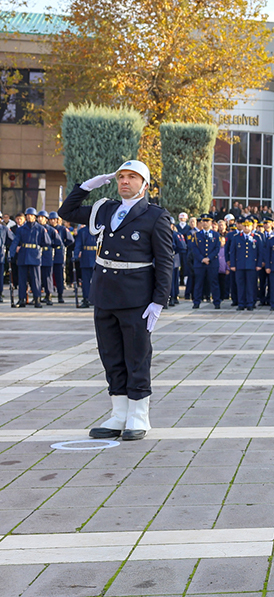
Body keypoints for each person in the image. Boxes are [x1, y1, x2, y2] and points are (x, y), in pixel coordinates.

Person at [57, 160, 175, 441]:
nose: (125, 181)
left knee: (136, 357)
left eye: (132, 177)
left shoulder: (155, 216)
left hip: (137, 298)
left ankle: (139, 415)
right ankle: (119, 413)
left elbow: (165, 261)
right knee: (111, 356)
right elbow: (66, 211)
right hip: (106, 294)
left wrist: (159, 301)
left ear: (144, 185)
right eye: (121, 177)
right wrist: (88, 186)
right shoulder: (106, 209)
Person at [10, 208, 50, 307]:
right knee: (22, 279)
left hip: (35, 255)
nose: (29, 217)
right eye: (27, 215)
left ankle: (37, 299)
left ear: (35, 217)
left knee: (36, 279)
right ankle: (22, 299)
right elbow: (15, 241)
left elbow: (47, 242)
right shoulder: (21, 229)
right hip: (23, 255)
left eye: (31, 215)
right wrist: (11, 254)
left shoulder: (40, 229)